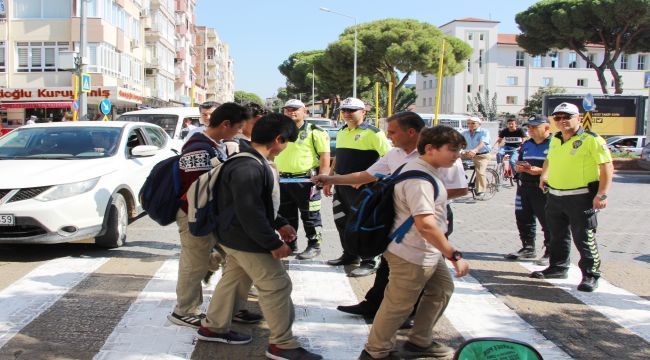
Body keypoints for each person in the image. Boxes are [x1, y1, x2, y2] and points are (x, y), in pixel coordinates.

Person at [313, 113, 468, 326]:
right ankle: (375, 304)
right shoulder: (395, 154)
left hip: (429, 221)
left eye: (393, 131)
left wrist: (420, 200)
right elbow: (366, 176)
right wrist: (331, 179)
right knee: (389, 262)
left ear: (411, 132)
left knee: (422, 271)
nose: (388, 135)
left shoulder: (443, 154)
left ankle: (405, 317)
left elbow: (460, 189)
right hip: (399, 220)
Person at [198, 113, 322, 360]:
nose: (284, 148)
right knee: (278, 285)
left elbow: (256, 204)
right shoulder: (249, 166)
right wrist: (273, 243)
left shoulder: (249, 160)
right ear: (278, 139)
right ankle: (282, 345)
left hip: (232, 236)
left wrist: (281, 223)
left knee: (235, 279)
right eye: (286, 142)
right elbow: (249, 211)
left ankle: (213, 327)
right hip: (245, 239)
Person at [359, 126, 470, 360]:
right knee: (398, 305)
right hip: (412, 252)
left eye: (459, 150)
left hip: (426, 250)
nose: (457, 155)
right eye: (452, 149)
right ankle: (376, 352)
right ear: (430, 148)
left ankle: (420, 341)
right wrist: (453, 254)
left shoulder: (427, 170)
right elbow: (426, 224)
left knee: (441, 290)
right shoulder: (419, 178)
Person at [168, 102, 261, 329]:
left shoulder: (214, 144)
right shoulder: (199, 149)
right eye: (237, 127)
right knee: (194, 264)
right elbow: (195, 191)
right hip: (196, 215)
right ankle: (184, 310)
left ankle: (232, 308)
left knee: (232, 259)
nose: (238, 132)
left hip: (211, 215)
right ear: (226, 124)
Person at [531, 102, 613, 292]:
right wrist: (544, 175)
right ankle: (558, 267)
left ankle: (591, 275)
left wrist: (602, 194)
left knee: (584, 237)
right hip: (555, 195)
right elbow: (550, 158)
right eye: (557, 118)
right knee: (556, 235)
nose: (562, 121)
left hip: (581, 196)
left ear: (578, 117)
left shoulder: (591, 139)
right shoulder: (556, 139)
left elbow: (606, 167)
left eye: (566, 117)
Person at [324, 97, 391, 277]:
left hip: (365, 188)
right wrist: (330, 179)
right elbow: (337, 158)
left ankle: (370, 260)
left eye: (351, 110)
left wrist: (370, 180)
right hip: (342, 187)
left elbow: (390, 159)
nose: (346, 114)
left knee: (364, 224)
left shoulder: (374, 133)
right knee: (342, 221)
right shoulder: (342, 131)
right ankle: (350, 254)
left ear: (363, 112)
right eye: (344, 110)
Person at [274, 99, 330, 259]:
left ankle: (314, 244)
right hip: (282, 181)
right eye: (287, 109)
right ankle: (291, 244)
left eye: (295, 109)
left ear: (304, 111)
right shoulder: (279, 132)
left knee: (310, 216)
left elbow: (324, 156)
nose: (291, 112)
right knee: (286, 216)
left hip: (306, 181)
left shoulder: (315, 131)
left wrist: (323, 177)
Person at [504, 115, 551, 265]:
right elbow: (520, 160)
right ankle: (528, 248)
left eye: (534, 127)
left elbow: (559, 166)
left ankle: (551, 251)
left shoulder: (555, 144)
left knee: (548, 221)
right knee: (523, 218)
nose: (530, 130)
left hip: (543, 187)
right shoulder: (527, 144)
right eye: (529, 127)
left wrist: (540, 171)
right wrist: (519, 167)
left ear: (547, 128)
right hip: (524, 186)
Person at [461, 116, 491, 195]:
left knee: (480, 172)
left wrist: (475, 150)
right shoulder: (465, 133)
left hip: (481, 155)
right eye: (468, 123)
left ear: (479, 124)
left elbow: (483, 142)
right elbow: (459, 142)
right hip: (468, 154)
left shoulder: (484, 132)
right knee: (452, 161)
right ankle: (460, 180)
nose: (470, 125)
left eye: (473, 123)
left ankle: (481, 190)